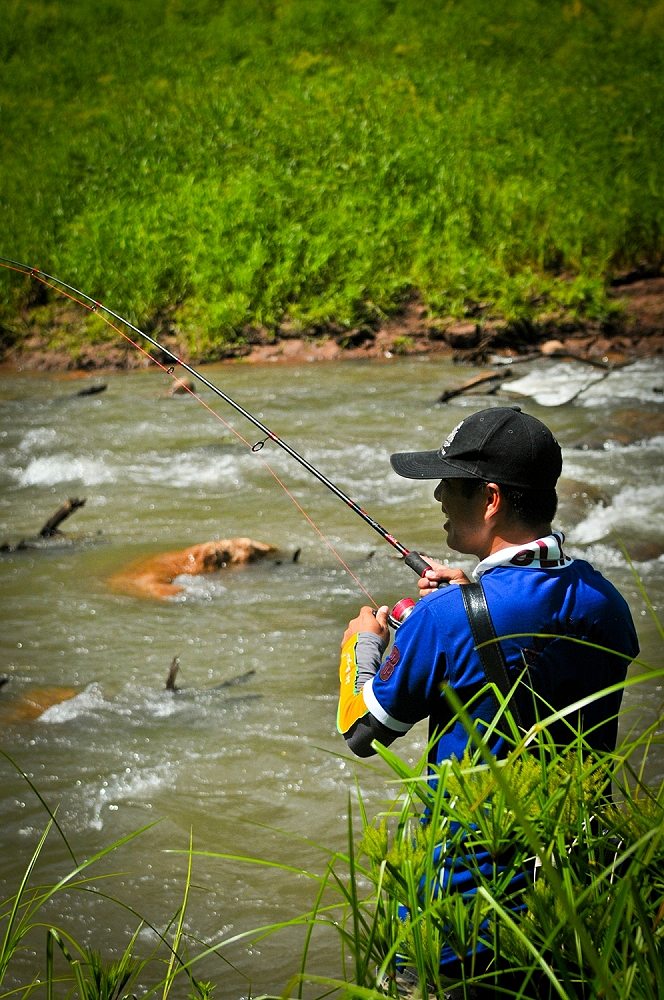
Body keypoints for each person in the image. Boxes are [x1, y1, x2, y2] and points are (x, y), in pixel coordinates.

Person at [335, 405, 639, 986]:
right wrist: (475, 592)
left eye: (450, 484)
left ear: (492, 498)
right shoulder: (606, 601)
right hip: (572, 905)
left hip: (456, 921)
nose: (439, 498)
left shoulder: (447, 617)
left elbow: (363, 733)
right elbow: (533, 640)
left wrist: (361, 646)